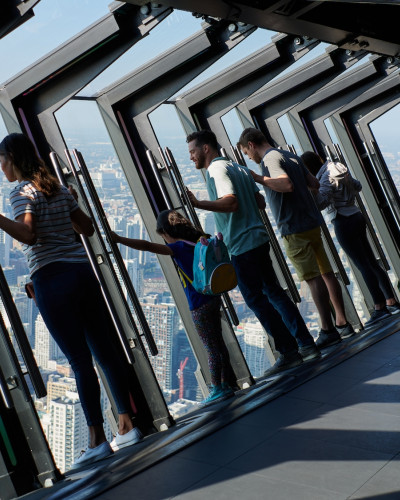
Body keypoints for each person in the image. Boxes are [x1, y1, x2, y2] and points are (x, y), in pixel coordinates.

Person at [0, 133, 142, 470]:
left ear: (12, 159)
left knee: (79, 360)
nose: (0, 168)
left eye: (1, 161)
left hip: (52, 279)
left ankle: (96, 441)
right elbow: (87, 228)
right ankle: (127, 425)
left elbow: (28, 234)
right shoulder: (58, 189)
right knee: (104, 352)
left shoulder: (20, 192)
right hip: (82, 274)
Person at [185, 129, 320, 377]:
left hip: (242, 244)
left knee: (255, 299)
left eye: (193, 151)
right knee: (275, 292)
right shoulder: (237, 167)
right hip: (258, 238)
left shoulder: (216, 170)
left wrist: (199, 204)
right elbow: (259, 202)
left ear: (206, 148)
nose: (191, 157)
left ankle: (288, 350)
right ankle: (305, 343)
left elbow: (231, 202)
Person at [238, 127, 354, 349]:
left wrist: (258, 178)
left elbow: (285, 184)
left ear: (251, 145)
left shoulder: (270, 160)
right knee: (326, 272)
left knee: (312, 278)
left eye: (246, 152)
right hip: (312, 222)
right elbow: (315, 183)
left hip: (293, 226)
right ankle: (342, 322)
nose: (249, 158)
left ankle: (327, 329)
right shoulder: (290, 155)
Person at [111, 209, 234, 405]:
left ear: (166, 233)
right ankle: (226, 383)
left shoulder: (177, 248)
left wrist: (119, 239)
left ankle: (217, 388)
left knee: (210, 348)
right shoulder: (201, 239)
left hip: (198, 304)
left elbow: (147, 246)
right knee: (218, 343)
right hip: (213, 297)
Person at [301, 151, 400, 327]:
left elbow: (322, 203)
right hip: (356, 215)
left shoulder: (324, 177)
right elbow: (358, 186)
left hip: (342, 220)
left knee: (362, 265)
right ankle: (391, 300)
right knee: (371, 261)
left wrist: (312, 190)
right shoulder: (339, 167)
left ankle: (379, 307)